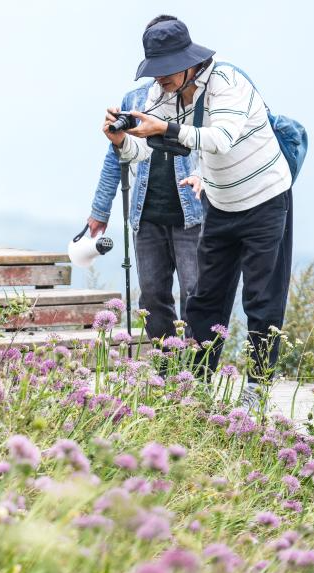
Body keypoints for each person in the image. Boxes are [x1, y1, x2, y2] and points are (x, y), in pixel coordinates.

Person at [108, 17, 294, 405]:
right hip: (222, 204)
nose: (160, 80)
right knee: (205, 298)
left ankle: (257, 389)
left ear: (189, 62)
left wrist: (164, 131)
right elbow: (144, 150)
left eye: (166, 71)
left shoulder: (227, 82)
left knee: (261, 298)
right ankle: (197, 383)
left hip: (265, 200)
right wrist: (123, 141)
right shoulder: (166, 93)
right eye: (154, 72)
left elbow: (220, 139)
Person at [92, 15, 204, 344]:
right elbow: (116, 156)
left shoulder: (200, 99)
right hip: (147, 215)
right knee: (152, 299)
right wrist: (100, 210)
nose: (163, 73)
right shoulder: (135, 101)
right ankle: (163, 371)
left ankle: (197, 373)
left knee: (195, 294)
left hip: (192, 216)